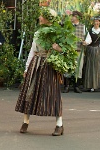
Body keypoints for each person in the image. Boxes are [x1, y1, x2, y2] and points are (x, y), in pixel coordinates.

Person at [15, 8, 64, 136]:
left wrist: (58, 48)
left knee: (53, 94)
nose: (40, 18)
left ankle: (59, 125)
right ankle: (25, 122)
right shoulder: (38, 33)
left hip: (50, 66)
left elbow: (66, 51)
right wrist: (26, 68)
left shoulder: (58, 33)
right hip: (36, 64)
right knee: (29, 92)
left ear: (48, 18)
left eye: (42, 16)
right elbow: (32, 51)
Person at [62, 11, 92, 93]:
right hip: (69, 51)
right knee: (67, 68)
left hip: (79, 51)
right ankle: (66, 86)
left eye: (73, 16)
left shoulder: (83, 27)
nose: (71, 17)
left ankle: (76, 86)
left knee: (78, 69)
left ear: (77, 17)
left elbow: (89, 38)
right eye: (71, 16)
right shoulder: (68, 26)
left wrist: (85, 42)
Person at [83, 16, 100, 92]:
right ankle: (89, 85)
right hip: (90, 49)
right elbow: (88, 40)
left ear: (99, 22)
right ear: (93, 22)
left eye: (98, 21)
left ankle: (95, 85)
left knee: (96, 67)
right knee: (89, 66)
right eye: (95, 21)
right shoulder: (89, 31)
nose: (96, 23)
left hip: (97, 50)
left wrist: (98, 50)